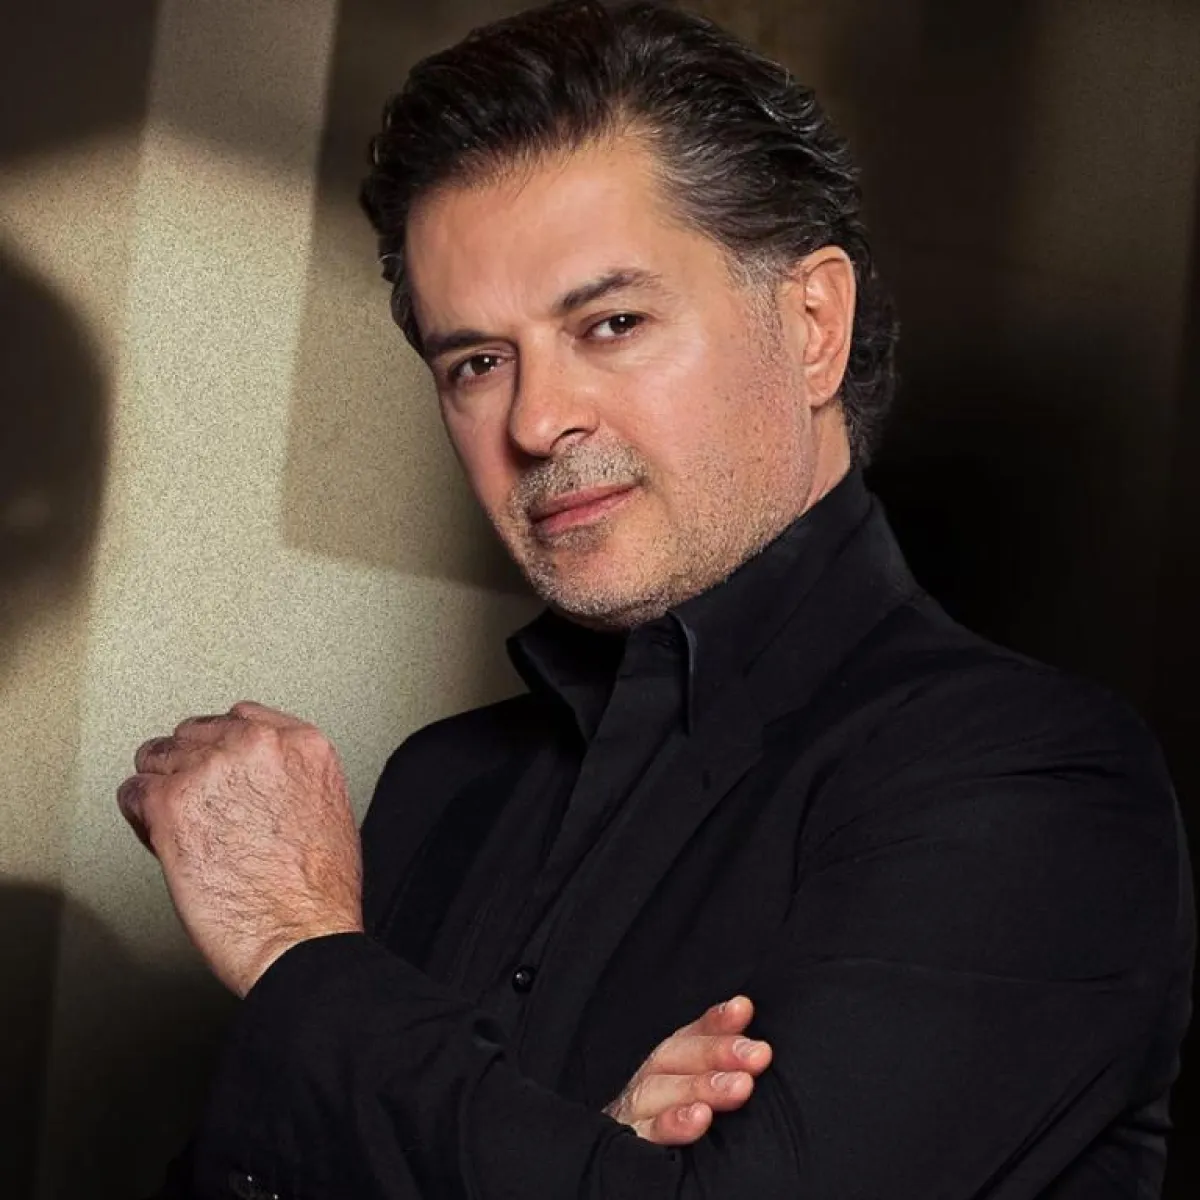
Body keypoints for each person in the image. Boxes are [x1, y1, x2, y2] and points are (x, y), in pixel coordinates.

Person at [119, 2, 1194, 1197]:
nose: (537, 420)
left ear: (813, 325)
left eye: (612, 323)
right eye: (477, 361)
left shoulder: (1029, 781)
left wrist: (299, 949)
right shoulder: (443, 787)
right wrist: (585, 1150)